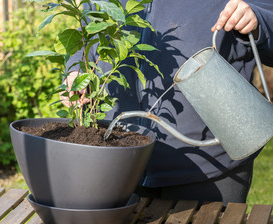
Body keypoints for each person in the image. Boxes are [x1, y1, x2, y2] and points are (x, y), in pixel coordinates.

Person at [61, 0, 273, 205]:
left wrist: (258, 21)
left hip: (210, 164)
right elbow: (87, 33)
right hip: (117, 157)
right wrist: (75, 72)